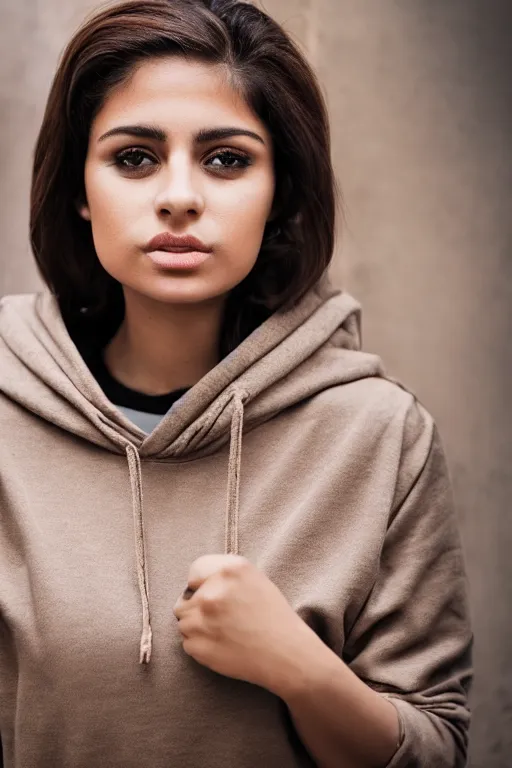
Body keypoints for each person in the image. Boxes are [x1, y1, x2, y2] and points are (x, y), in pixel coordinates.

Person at [0, 0, 473, 766]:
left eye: (226, 159)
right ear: (79, 192)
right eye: (134, 157)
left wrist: (300, 667)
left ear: (281, 192)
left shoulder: (380, 435)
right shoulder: (5, 415)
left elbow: (436, 748)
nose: (180, 196)